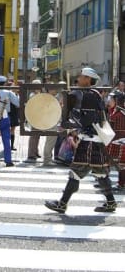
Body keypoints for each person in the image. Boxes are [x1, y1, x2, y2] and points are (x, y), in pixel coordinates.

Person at [45, 67, 117, 213]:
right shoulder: (93, 94)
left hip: (89, 140)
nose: (78, 79)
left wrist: (69, 122)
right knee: (100, 173)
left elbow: (86, 119)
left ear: (88, 79)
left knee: (76, 172)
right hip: (95, 139)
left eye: (82, 77)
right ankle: (111, 202)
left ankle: (62, 204)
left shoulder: (88, 95)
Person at [0, 75, 20, 167]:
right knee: (6, 139)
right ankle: (8, 160)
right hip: (5, 116)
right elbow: (17, 103)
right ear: (5, 83)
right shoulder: (8, 92)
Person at [105, 91, 125, 191]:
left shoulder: (120, 113)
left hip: (119, 140)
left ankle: (121, 184)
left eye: (113, 99)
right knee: (109, 161)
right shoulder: (114, 111)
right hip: (114, 139)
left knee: (121, 164)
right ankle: (105, 182)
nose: (110, 101)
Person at [26, 79, 42, 163]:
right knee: (34, 135)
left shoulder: (38, 94)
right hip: (34, 117)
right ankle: (31, 153)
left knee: (37, 135)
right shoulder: (32, 95)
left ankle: (35, 151)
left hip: (39, 117)